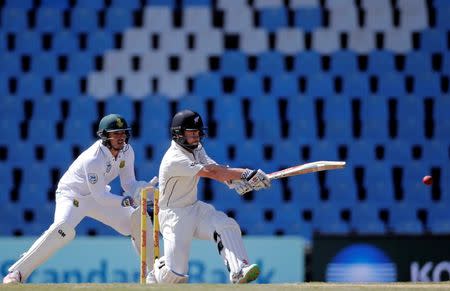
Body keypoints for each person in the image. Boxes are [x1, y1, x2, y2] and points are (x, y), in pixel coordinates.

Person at [3, 114, 157, 284]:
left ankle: (154, 274)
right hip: (72, 195)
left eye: (123, 133)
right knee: (62, 231)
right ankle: (17, 273)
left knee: (137, 219)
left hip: (97, 196)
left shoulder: (127, 151)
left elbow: (128, 183)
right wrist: (125, 201)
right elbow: (101, 196)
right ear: (105, 136)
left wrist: (141, 189)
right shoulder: (94, 158)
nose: (121, 137)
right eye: (116, 133)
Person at [152, 109, 271, 284]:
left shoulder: (196, 148)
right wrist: (245, 174)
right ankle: (159, 267)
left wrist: (235, 181)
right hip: (174, 216)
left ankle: (239, 270)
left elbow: (213, 166)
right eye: (191, 133)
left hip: (194, 207)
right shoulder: (174, 158)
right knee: (175, 278)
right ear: (178, 134)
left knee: (225, 224)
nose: (196, 137)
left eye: (198, 132)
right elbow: (211, 172)